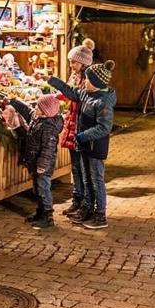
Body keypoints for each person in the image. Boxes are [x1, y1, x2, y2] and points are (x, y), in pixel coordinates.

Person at [51, 60, 116, 229]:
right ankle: (87, 208)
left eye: (87, 80)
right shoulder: (86, 93)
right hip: (84, 146)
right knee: (86, 180)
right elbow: (71, 92)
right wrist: (52, 80)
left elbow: (104, 127)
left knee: (96, 180)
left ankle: (100, 214)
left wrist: (81, 136)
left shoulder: (103, 102)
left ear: (96, 83)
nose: (84, 82)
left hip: (95, 148)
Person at [48, 39, 95, 218]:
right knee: (75, 167)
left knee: (82, 168)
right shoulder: (75, 76)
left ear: (83, 63)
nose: (71, 65)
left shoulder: (88, 80)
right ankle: (77, 200)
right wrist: (56, 96)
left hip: (80, 125)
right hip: (71, 123)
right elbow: (68, 93)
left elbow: (75, 95)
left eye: (73, 62)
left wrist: (57, 86)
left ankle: (84, 203)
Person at [4, 93, 63, 229]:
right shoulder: (37, 118)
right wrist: (13, 100)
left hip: (43, 166)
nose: (35, 107)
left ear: (45, 111)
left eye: (38, 106)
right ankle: (40, 212)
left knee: (43, 190)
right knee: (37, 189)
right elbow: (26, 110)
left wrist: (42, 165)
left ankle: (47, 216)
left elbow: (48, 150)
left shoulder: (48, 127)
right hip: (35, 163)